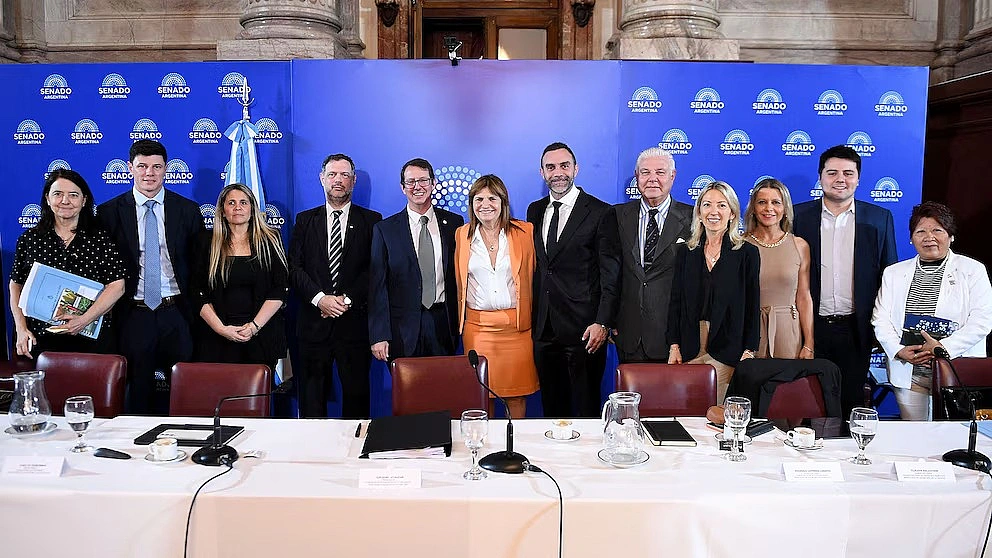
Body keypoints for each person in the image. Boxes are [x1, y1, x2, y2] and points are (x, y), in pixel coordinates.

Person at [97, 140, 205, 415]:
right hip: (134, 313)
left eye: (157, 167)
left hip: (177, 312)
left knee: (187, 391)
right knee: (137, 393)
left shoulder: (187, 210)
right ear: (130, 168)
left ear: (166, 169)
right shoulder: (109, 212)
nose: (149, 173)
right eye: (142, 166)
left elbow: (199, 266)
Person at [793, 145, 898, 414]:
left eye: (848, 173)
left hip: (856, 329)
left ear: (858, 179)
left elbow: (890, 278)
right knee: (807, 403)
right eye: (832, 173)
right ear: (820, 177)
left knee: (850, 403)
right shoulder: (797, 216)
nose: (840, 179)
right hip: (808, 327)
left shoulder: (879, 218)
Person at [872, 202, 992, 420]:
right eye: (921, 232)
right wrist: (898, 350)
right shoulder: (894, 273)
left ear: (950, 236)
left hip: (956, 371)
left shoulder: (972, 270)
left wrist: (942, 348)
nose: (929, 237)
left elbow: (982, 321)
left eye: (937, 230)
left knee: (956, 434)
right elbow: (880, 318)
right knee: (914, 434)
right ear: (911, 238)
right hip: (909, 372)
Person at [527, 142, 620, 418]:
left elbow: (611, 274)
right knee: (551, 412)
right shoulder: (535, 210)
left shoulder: (600, 212)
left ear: (576, 169)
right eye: (551, 167)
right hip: (544, 330)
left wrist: (603, 322)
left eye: (564, 166)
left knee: (584, 411)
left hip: (585, 331)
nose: (558, 173)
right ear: (542, 173)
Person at [290, 154, 382, 418]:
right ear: (322, 179)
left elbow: (374, 269)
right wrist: (321, 299)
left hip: (354, 328)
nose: (338, 180)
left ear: (353, 181)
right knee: (311, 403)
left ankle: (356, 446)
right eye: (332, 175)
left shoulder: (372, 221)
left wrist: (345, 301)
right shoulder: (305, 220)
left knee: (357, 403)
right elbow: (294, 268)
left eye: (344, 175)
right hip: (313, 328)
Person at [9, 169, 126, 357]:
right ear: (47, 198)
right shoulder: (29, 239)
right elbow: (16, 285)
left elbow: (117, 286)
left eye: (73, 195)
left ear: (84, 200)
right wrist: (21, 328)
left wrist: (83, 320)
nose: (65, 201)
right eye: (58, 194)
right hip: (40, 338)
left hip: (91, 338)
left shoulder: (100, 238)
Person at [668, 181, 760, 404]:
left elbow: (752, 304)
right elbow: (675, 303)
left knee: (717, 413)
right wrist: (674, 345)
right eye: (707, 204)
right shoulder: (686, 252)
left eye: (721, 205)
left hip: (728, 347)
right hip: (690, 345)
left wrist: (749, 350)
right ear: (699, 213)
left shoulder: (747, 253)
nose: (714, 211)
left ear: (732, 213)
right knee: (688, 411)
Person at [455, 175, 538, 419]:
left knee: (517, 397)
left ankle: (515, 441)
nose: (485, 205)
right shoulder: (461, 235)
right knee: (482, 396)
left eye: (492, 198)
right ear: (471, 204)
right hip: (477, 330)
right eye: (478, 199)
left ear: (503, 202)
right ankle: (485, 442)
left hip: (517, 330)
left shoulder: (525, 232)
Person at [369, 158, 463, 360]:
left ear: (433, 183)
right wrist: (379, 334)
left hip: (443, 324)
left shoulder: (455, 223)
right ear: (403, 187)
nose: (417, 187)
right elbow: (378, 286)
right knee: (407, 381)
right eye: (410, 182)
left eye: (423, 180)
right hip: (401, 330)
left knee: (443, 379)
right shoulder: (385, 230)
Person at [191, 183, 288, 375]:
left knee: (257, 393)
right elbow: (197, 290)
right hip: (217, 337)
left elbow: (280, 288)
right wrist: (221, 329)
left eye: (243, 202)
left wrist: (253, 327)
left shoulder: (271, 239)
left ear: (252, 209)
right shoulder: (206, 241)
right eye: (231, 203)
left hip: (261, 336)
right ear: (222, 210)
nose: (237, 207)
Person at [613, 147, 692, 363]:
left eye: (660, 172)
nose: (652, 179)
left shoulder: (693, 219)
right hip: (628, 334)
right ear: (636, 176)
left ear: (672, 176)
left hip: (673, 336)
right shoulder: (617, 216)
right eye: (645, 172)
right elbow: (608, 272)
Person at [742, 178, 814, 359]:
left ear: (785, 208)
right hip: (748, 333)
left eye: (775, 202)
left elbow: (804, 297)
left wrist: (809, 343)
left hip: (788, 334)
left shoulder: (800, 245)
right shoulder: (739, 245)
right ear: (753, 208)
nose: (769, 208)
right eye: (762, 202)